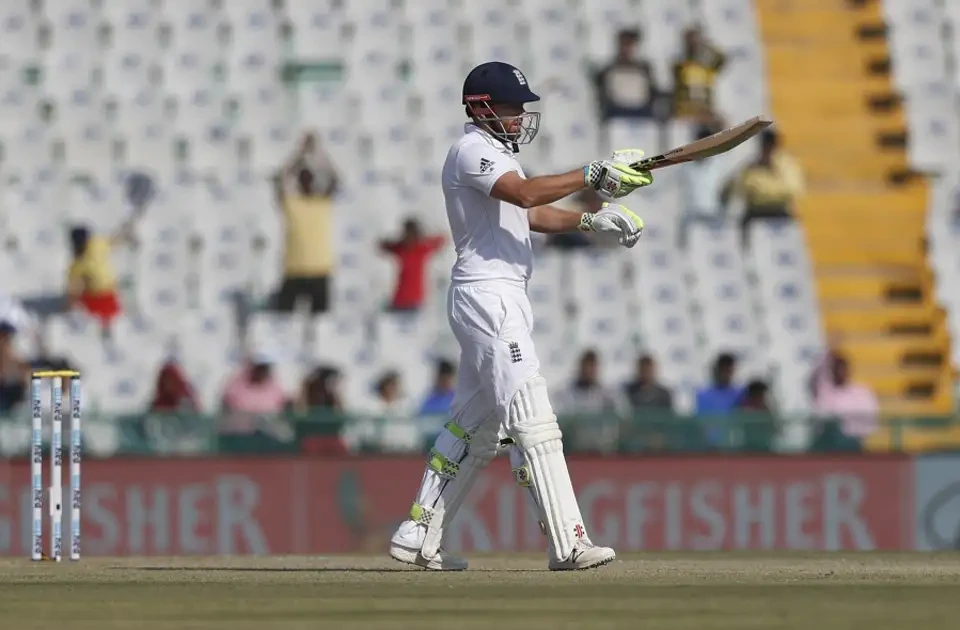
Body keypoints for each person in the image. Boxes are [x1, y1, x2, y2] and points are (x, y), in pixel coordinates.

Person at [389, 60, 653, 572]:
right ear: (481, 107)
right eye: (513, 107)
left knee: (475, 427)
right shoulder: (471, 150)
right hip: (488, 296)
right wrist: (592, 173)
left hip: (499, 295)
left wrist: (590, 219)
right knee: (532, 418)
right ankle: (569, 543)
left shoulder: (498, 155)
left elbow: (529, 214)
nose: (520, 116)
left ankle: (418, 533)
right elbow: (526, 194)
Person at [272, 131, 339, 314]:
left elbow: (335, 179)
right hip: (294, 270)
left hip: (319, 270)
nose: (307, 182)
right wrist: (299, 153)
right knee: (282, 319)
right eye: (303, 179)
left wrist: (319, 153)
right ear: (298, 182)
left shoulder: (322, 203)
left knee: (322, 322)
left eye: (309, 178)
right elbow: (280, 180)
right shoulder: (293, 203)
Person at [721, 128, 804, 243]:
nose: (767, 148)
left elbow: (792, 190)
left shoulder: (787, 165)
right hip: (755, 213)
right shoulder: (750, 166)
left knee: (793, 229)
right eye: (765, 145)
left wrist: (762, 191)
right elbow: (737, 188)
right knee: (742, 228)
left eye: (770, 145)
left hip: (780, 212)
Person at [554, 349, 627, 453]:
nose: (589, 370)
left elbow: (623, 414)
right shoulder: (567, 392)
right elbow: (561, 417)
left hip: (602, 450)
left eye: (593, 366)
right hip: (575, 449)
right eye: (587, 366)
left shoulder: (607, 394)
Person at [810, 344, 879, 440]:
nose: (839, 373)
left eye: (842, 369)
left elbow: (869, 421)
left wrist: (846, 426)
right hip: (827, 438)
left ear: (848, 370)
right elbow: (820, 416)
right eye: (835, 369)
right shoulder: (825, 391)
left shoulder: (861, 392)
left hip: (851, 438)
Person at [379, 218, 446, 311]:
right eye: (406, 234)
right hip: (399, 300)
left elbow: (442, 239)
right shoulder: (401, 248)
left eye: (411, 234)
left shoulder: (422, 248)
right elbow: (383, 246)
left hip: (415, 301)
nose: (408, 237)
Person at [594, 29, 660, 121]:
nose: (627, 48)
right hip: (616, 113)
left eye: (630, 44)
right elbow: (602, 95)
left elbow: (653, 92)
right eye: (625, 44)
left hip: (642, 113)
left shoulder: (645, 68)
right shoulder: (608, 70)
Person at [672, 26, 726, 119]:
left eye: (696, 39)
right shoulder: (680, 65)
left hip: (705, 109)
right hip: (687, 110)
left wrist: (706, 44)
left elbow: (721, 59)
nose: (693, 42)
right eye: (690, 40)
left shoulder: (707, 64)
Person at [695, 352, 745, 446]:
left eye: (729, 370)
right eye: (723, 369)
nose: (726, 374)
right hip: (708, 447)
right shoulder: (703, 395)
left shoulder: (740, 395)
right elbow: (699, 423)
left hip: (733, 446)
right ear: (717, 370)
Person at [0, 321, 29, 413]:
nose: (8, 339)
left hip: (12, 392)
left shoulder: (11, 350)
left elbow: (23, 367)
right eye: (5, 336)